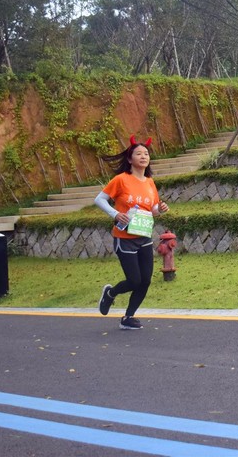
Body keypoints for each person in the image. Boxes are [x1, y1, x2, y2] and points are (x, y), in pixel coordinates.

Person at [94, 135, 169, 330]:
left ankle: (128, 317)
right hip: (124, 239)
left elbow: (151, 209)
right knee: (134, 280)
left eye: (146, 153)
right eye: (138, 153)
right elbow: (100, 199)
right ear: (130, 159)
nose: (143, 156)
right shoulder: (121, 180)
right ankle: (110, 293)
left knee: (145, 281)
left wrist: (159, 209)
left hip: (143, 236)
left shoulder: (150, 182)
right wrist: (116, 214)